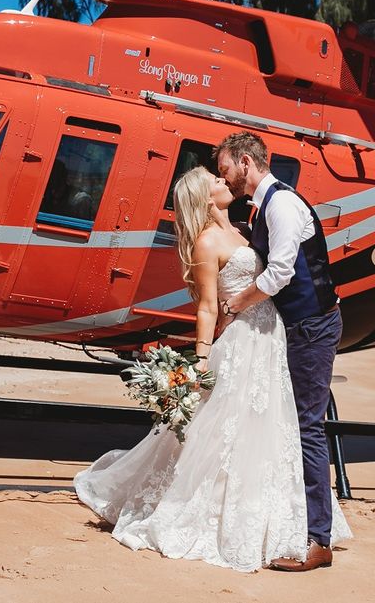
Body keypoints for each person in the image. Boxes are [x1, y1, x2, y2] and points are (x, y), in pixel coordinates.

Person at [73, 166, 350, 573]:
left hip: (271, 334)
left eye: (223, 176)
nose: (224, 182)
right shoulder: (206, 242)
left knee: (270, 426)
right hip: (243, 338)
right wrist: (201, 359)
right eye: (215, 181)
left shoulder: (244, 228)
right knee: (230, 428)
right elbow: (206, 306)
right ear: (205, 198)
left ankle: (281, 515)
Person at [217, 131, 343, 572]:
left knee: (307, 427)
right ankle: (294, 522)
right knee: (287, 423)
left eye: (226, 168)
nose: (224, 176)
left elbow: (279, 274)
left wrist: (235, 304)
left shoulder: (284, 205)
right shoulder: (262, 207)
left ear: (246, 163)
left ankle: (319, 541)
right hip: (296, 327)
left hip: (312, 326)